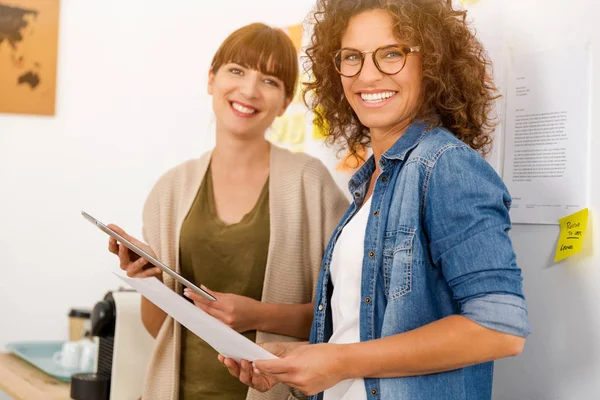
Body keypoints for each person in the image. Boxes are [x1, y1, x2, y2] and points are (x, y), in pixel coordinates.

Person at [219, 1, 531, 399]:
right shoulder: (370, 181)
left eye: (391, 54)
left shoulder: (445, 167)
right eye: (352, 57)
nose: (367, 75)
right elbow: (366, 330)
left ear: (432, 63)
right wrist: (299, 359)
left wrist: (338, 361)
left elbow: (499, 329)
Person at [108, 22, 348, 400]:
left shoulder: (310, 183)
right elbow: (162, 331)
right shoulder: (170, 190)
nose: (249, 90)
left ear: (286, 101)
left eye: (269, 80)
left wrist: (257, 316)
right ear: (211, 79)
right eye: (236, 71)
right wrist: (147, 283)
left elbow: (342, 313)